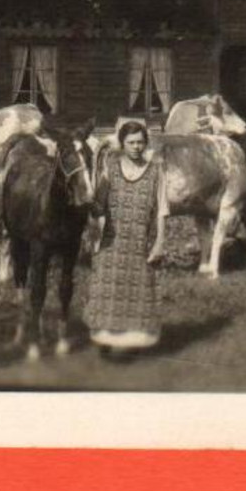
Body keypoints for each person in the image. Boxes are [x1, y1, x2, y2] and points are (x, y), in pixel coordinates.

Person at [86, 120, 168, 354]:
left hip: (141, 243)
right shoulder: (110, 169)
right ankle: (105, 340)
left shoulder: (155, 171)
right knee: (107, 291)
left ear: (146, 144)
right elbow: (98, 206)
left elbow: (162, 210)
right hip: (112, 242)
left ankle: (134, 343)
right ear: (122, 144)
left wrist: (160, 243)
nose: (136, 147)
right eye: (131, 142)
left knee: (138, 294)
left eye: (141, 142)